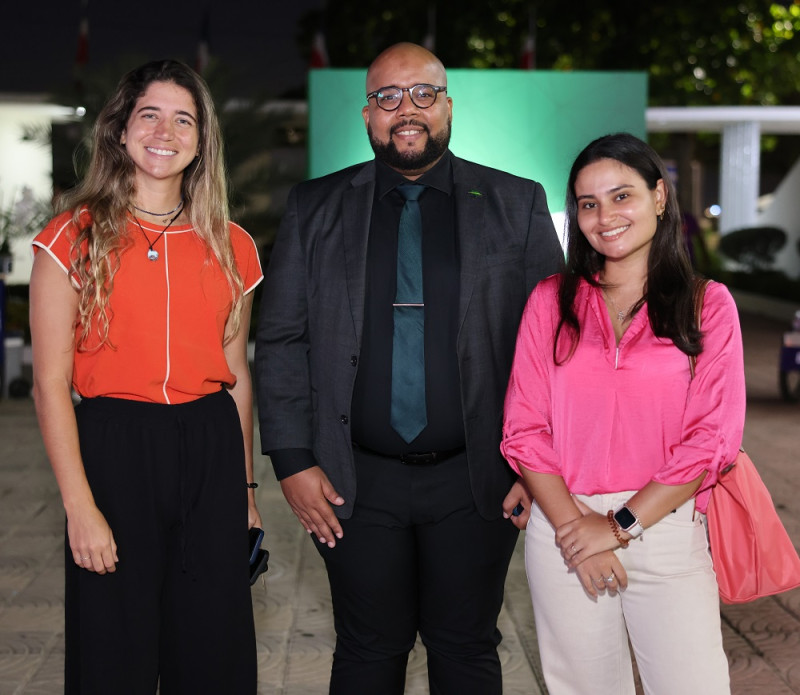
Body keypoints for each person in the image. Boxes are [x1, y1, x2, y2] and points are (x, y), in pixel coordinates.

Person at [255, 42, 564, 694]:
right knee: (368, 650)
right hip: (350, 481)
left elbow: (554, 346)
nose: (407, 110)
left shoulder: (517, 203)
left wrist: (542, 467)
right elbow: (282, 339)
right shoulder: (315, 207)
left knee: (467, 646)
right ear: (368, 114)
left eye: (423, 93)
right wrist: (291, 460)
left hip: (479, 478)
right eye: (388, 97)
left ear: (448, 106)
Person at [29, 59, 262, 694]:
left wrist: (244, 491)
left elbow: (237, 375)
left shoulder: (232, 244)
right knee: (114, 653)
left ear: (202, 139)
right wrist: (80, 507)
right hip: (113, 450)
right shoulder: (69, 239)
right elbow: (49, 383)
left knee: (212, 651)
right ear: (121, 130)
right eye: (149, 114)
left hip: (210, 451)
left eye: (183, 118)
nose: (166, 130)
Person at [501, 132, 746, 693]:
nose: (604, 216)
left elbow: (711, 438)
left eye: (621, 196)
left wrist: (618, 526)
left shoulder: (707, 304)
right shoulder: (549, 300)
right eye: (588, 203)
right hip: (564, 524)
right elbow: (523, 427)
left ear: (659, 197)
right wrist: (575, 529)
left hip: (662, 525)